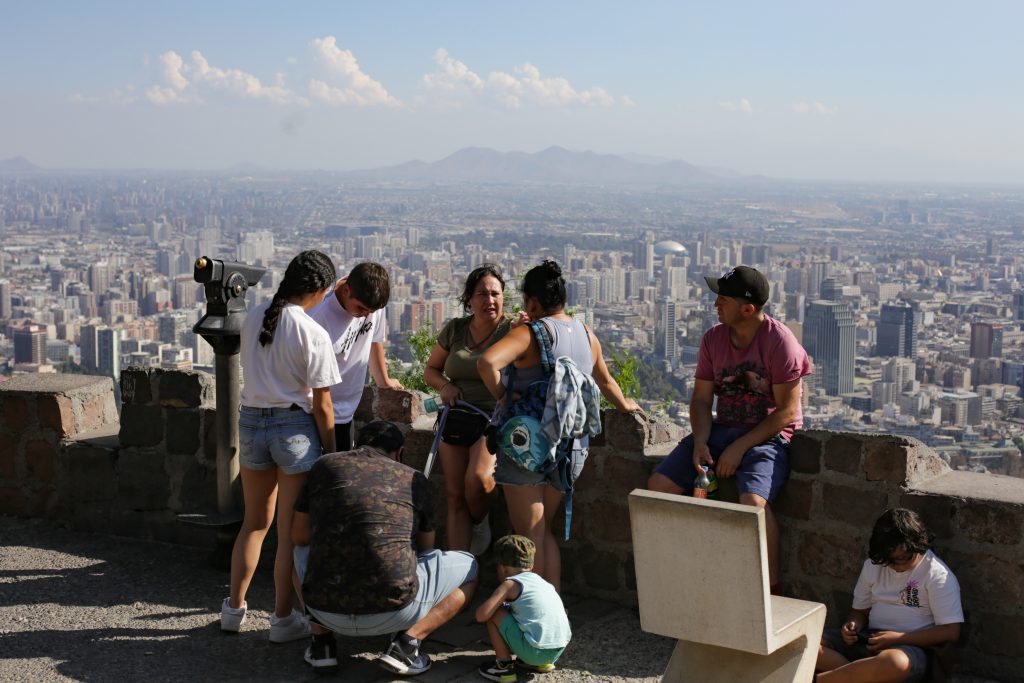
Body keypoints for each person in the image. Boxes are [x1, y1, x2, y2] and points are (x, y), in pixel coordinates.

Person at [478, 259, 640, 591]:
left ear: (532, 302)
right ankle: (554, 611)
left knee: (528, 535)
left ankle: (533, 618)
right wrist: (626, 405)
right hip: (570, 448)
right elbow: (606, 383)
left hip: (528, 446)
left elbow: (486, 362)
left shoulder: (531, 333)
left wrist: (504, 397)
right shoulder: (585, 332)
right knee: (543, 530)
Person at [647, 265, 810, 589]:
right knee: (658, 488)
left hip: (769, 435)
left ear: (747, 309)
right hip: (722, 428)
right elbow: (701, 400)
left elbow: (787, 411)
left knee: (753, 506)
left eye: (723, 299)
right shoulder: (714, 339)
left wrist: (739, 448)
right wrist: (701, 443)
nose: (715, 305)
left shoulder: (781, 343)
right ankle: (675, 579)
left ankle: (770, 589)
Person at [292, 421, 479, 676]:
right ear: (400, 452)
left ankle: (322, 644)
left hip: (324, 610)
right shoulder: (416, 480)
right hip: (396, 611)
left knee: (298, 552)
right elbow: (426, 549)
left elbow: (299, 535)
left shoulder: (323, 466)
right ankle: (407, 644)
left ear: (357, 446)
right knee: (470, 567)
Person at [220, 249, 339, 642]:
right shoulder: (313, 332)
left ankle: (233, 610)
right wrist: (331, 450)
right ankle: (282, 619)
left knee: (254, 523)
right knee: (289, 533)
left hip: (251, 423)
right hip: (294, 430)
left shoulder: (253, 316)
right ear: (319, 290)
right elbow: (322, 406)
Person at [423, 264, 513, 555]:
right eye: (482, 294)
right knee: (454, 495)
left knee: (477, 480)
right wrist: (444, 387)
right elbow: (431, 369)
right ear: (469, 299)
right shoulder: (456, 329)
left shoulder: (512, 330)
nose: (490, 300)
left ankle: (480, 518)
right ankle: (459, 566)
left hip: (491, 417)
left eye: (495, 294)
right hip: (456, 415)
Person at [816, 508, 963, 682]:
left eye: (905, 558)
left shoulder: (937, 574)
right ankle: (859, 676)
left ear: (919, 545)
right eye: (891, 560)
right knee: (805, 643)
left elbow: (951, 632)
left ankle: (828, 680)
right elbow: (860, 612)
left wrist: (898, 638)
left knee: (895, 663)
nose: (899, 566)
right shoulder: (873, 566)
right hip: (869, 638)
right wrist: (852, 625)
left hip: (910, 647)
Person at [309, 261, 402, 452]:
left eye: (371, 311)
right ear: (346, 291)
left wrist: (383, 380)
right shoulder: (319, 317)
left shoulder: (371, 304)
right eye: (361, 308)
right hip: (317, 412)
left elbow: (374, 341)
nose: (365, 315)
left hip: (347, 410)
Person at [476, 535, 571, 682]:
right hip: (558, 649)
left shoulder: (510, 584)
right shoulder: (543, 583)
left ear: (502, 568)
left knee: (494, 614)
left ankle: (504, 669)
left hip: (534, 651)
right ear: (531, 565)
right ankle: (541, 663)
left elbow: (481, 615)